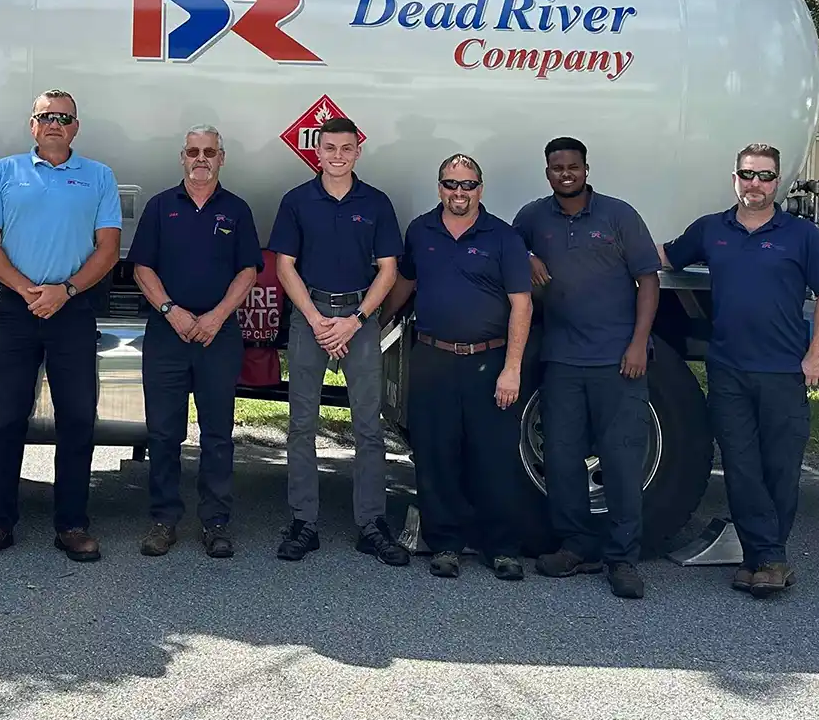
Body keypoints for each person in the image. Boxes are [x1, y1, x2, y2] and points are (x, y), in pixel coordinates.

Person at [661, 143, 819, 598]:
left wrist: (817, 353)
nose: (755, 184)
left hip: (784, 371)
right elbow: (663, 258)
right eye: (747, 175)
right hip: (729, 371)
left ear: (776, 182)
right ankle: (768, 559)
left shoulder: (800, 235)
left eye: (764, 176)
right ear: (735, 178)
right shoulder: (711, 229)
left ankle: (765, 557)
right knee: (741, 467)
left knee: (779, 467)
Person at [0, 91, 122, 562]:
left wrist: (65, 291)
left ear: (76, 127)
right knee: (6, 419)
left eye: (64, 117)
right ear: (32, 126)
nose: (55, 123)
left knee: (76, 419)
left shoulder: (99, 176)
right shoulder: (4, 171)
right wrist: (29, 289)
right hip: (18, 307)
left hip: (72, 309)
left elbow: (108, 247)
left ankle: (72, 525)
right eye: (45, 117)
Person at [512, 136, 660, 600]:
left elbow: (648, 281)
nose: (565, 174)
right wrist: (526, 255)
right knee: (561, 458)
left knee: (619, 460)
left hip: (617, 361)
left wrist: (638, 344)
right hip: (561, 359)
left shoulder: (618, 215)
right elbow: (502, 247)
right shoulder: (534, 217)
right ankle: (575, 547)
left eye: (572, 166)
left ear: (586, 168)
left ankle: (622, 560)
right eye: (556, 168)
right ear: (547, 172)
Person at [382, 155, 534, 580]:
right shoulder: (421, 231)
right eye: (451, 184)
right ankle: (445, 543)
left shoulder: (503, 237)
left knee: (494, 459)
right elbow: (404, 286)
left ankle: (501, 548)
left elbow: (522, 304)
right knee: (435, 455)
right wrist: (371, 326)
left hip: (489, 361)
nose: (459, 193)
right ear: (439, 188)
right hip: (432, 357)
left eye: (467, 185)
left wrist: (513, 368)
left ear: (480, 189)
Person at [269, 116, 408, 566]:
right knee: (301, 425)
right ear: (318, 151)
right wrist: (314, 319)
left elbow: (388, 269)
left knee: (368, 427)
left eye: (346, 149)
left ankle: (371, 524)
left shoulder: (376, 202)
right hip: (310, 316)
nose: (337, 156)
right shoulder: (296, 201)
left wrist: (355, 320)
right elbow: (285, 266)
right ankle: (303, 522)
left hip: (359, 319)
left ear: (357, 152)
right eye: (329, 148)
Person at [128, 126, 262, 558]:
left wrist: (217, 316)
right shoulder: (160, 206)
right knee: (164, 432)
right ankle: (164, 520)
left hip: (217, 336)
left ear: (221, 158)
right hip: (168, 334)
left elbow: (248, 271)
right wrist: (172, 311)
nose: (200, 158)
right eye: (192, 151)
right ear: (181, 158)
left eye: (209, 152)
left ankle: (216, 521)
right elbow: (142, 268)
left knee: (218, 433)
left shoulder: (237, 210)